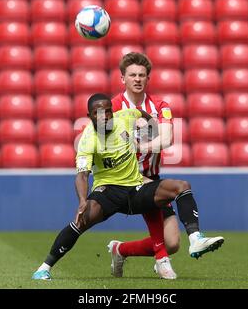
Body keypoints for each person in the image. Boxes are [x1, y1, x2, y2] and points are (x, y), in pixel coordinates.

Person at [32, 93, 224, 280]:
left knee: (181, 186)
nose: (105, 116)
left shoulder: (125, 116)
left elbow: (142, 115)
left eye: (108, 111)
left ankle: (195, 239)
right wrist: (83, 200)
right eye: (99, 113)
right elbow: (82, 175)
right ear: (90, 116)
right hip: (108, 190)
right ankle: (44, 268)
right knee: (81, 221)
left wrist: (152, 129)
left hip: (135, 188)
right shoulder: (87, 139)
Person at [108, 52, 194, 278]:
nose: (137, 79)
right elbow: (109, 146)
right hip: (123, 179)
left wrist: (139, 147)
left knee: (173, 243)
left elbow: (166, 139)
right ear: (122, 79)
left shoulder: (160, 105)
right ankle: (161, 260)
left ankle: (120, 249)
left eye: (142, 75)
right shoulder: (113, 108)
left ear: (148, 79)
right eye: (132, 75)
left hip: (150, 176)